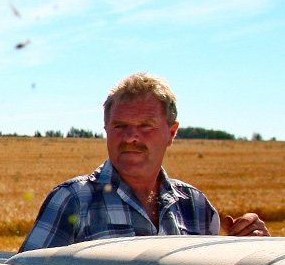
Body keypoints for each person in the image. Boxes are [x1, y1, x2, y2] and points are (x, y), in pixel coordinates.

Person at [18, 73, 269, 252]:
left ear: (171, 133)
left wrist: (253, 248)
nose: (130, 137)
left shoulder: (195, 206)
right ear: (106, 129)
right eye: (120, 126)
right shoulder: (74, 200)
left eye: (145, 126)